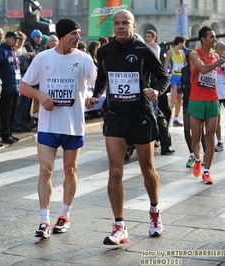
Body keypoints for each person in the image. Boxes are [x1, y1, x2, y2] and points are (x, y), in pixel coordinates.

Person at [86, 10, 170, 245]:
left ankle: (154, 212)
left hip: (140, 116)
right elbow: (103, 78)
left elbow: (163, 77)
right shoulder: (104, 52)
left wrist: (156, 91)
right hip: (115, 116)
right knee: (115, 171)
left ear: (133, 25)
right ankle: (119, 226)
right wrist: (97, 95)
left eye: (125, 23)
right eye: (117, 23)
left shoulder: (144, 51)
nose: (120, 27)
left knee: (147, 169)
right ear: (113, 26)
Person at [19, 18, 96, 239]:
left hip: (73, 125)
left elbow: (96, 84)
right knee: (46, 171)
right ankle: (44, 219)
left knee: (70, 170)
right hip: (48, 124)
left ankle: (64, 215)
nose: (78, 37)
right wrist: (40, 94)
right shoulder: (43, 58)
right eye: (74, 33)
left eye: (79, 33)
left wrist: (93, 98)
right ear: (63, 35)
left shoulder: (84, 58)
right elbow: (24, 86)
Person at [189, 26, 222, 185]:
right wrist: (220, 61)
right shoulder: (195, 54)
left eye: (215, 37)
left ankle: (207, 171)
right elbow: (202, 69)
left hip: (212, 100)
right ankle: (197, 158)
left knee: (210, 136)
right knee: (196, 137)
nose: (214, 40)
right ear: (203, 39)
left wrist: (220, 62)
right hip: (196, 100)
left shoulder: (215, 55)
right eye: (211, 37)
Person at [179, 50, 206, 168]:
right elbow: (182, 82)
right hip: (187, 102)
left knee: (200, 132)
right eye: (187, 57)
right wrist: (181, 88)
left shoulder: (200, 69)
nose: (189, 60)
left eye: (190, 57)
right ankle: (192, 154)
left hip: (197, 101)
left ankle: (205, 154)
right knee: (186, 129)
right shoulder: (184, 70)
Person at [0, 31, 22, 144]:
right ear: (8, 39)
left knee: (13, 111)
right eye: (14, 39)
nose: (17, 41)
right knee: (6, 112)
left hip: (15, 86)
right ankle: (5, 134)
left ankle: (10, 132)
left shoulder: (14, 51)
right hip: (6, 87)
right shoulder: (1, 51)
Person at [164, 36, 186, 127]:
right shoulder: (170, 52)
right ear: (180, 42)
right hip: (174, 77)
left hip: (181, 77)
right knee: (173, 98)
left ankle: (176, 118)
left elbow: (185, 65)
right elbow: (165, 66)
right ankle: (168, 117)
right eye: (183, 43)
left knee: (179, 99)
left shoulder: (182, 53)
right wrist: (165, 78)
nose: (184, 45)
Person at [14, 31, 33, 133]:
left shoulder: (24, 49)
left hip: (27, 76)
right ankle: (17, 124)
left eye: (23, 41)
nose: (21, 43)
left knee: (26, 103)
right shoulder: (14, 51)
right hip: (19, 76)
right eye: (19, 40)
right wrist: (23, 57)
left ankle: (24, 123)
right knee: (19, 104)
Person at [215, 42, 225, 152]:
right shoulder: (213, 58)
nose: (224, 52)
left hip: (224, 90)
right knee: (216, 119)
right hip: (216, 92)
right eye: (222, 50)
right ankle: (219, 141)